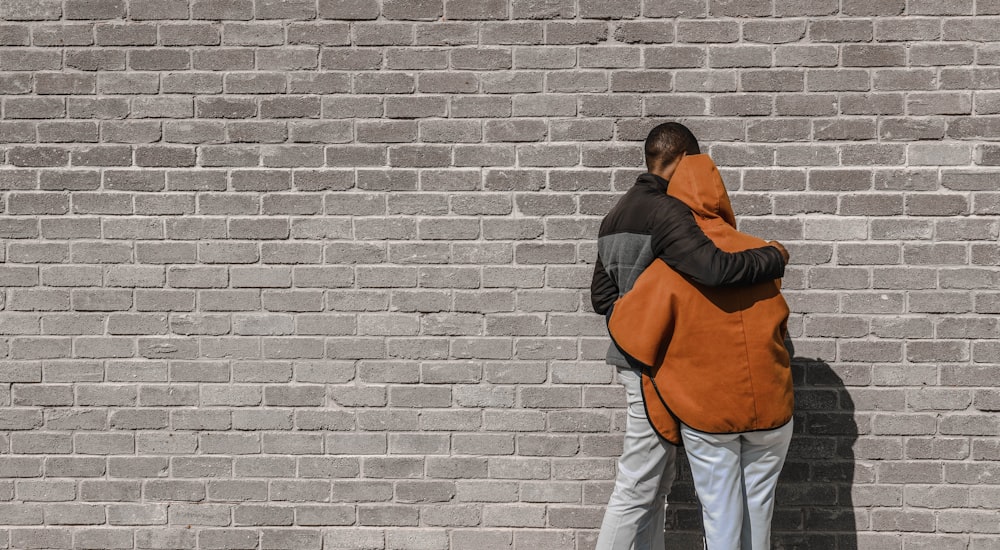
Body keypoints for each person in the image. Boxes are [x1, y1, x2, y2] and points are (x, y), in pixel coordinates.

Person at [590, 122, 789, 550]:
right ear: (686, 161)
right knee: (638, 484)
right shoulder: (670, 211)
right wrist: (773, 256)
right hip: (656, 367)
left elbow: (601, 298)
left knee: (657, 484)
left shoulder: (614, 215)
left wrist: (631, 320)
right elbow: (713, 269)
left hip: (634, 360)